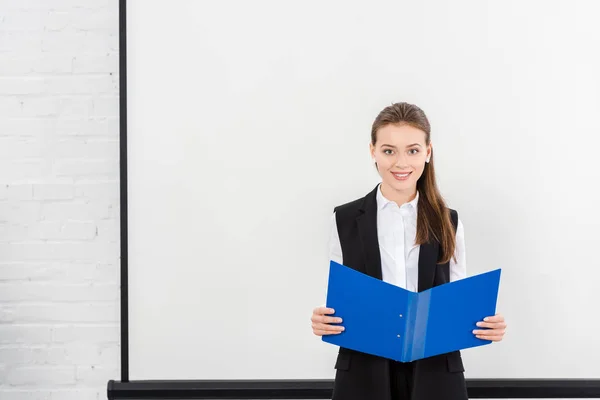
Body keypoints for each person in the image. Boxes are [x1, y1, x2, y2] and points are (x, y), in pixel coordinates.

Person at [311, 102, 507, 400]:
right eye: (389, 150)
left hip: (436, 370)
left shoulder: (449, 220)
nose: (401, 163)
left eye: (413, 150)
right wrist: (323, 319)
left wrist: (485, 325)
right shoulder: (344, 219)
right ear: (372, 151)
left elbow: (456, 297)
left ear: (428, 152)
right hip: (365, 368)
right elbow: (340, 296)